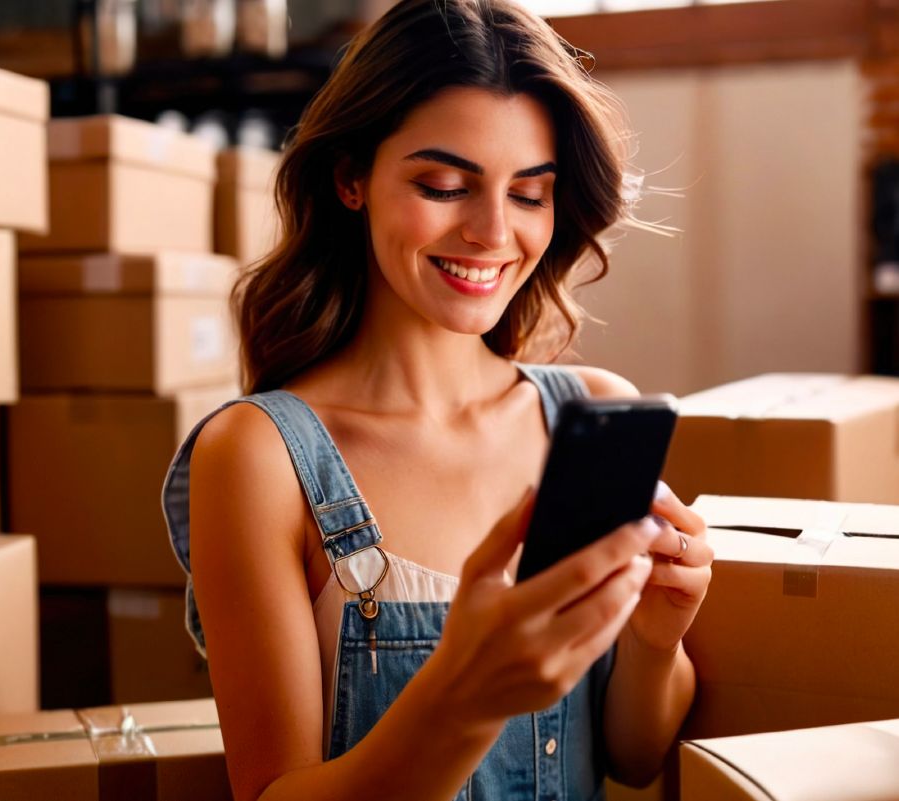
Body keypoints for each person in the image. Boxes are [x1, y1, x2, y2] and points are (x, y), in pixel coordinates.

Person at [162, 2, 713, 800]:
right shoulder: (259, 457)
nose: (493, 232)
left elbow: (631, 756)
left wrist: (657, 640)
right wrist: (468, 692)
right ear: (351, 178)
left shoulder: (592, 413)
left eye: (530, 194)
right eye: (445, 185)